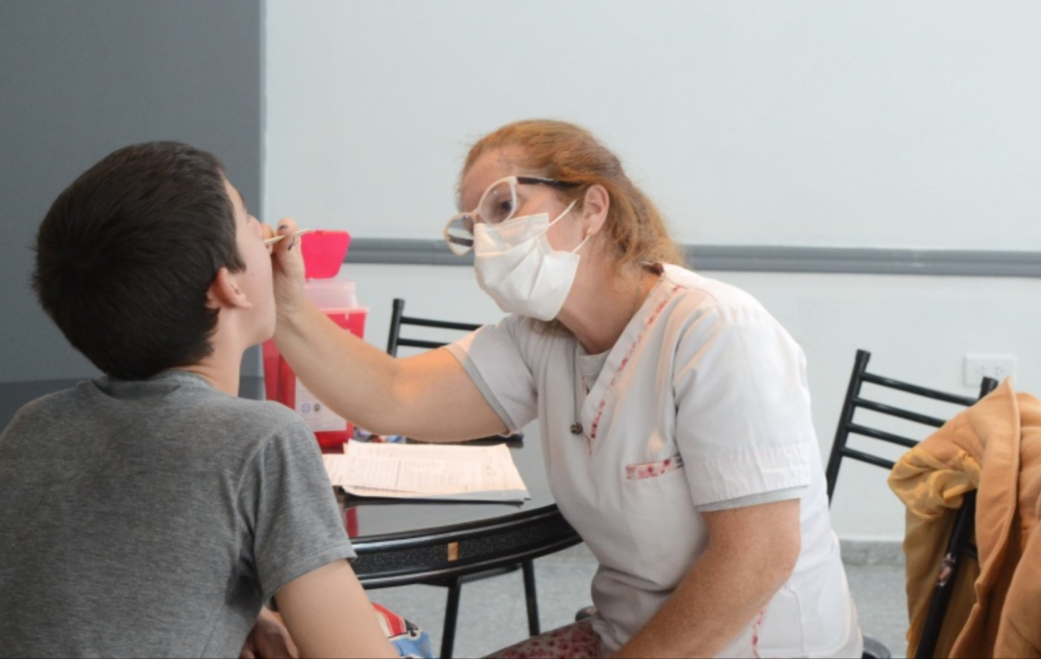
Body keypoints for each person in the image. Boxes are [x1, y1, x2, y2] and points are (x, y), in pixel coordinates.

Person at [267, 119, 862, 658]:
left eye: (504, 207)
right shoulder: (541, 340)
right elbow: (394, 393)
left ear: (592, 208)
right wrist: (288, 306)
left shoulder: (716, 331)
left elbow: (756, 559)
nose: (487, 240)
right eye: (473, 225)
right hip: (627, 635)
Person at [0, 142, 401, 659]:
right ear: (229, 285)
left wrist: (245, 615)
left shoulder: (33, 424)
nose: (266, 229)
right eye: (247, 218)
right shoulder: (264, 440)